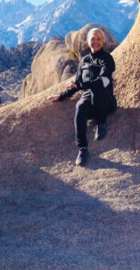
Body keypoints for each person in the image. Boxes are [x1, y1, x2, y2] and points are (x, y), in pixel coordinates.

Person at [48, 27, 117, 166]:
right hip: (89, 100)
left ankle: (101, 121)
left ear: (102, 41)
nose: (95, 42)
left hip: (106, 102)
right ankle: (82, 149)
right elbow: (77, 83)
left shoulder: (107, 59)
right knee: (80, 105)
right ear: (88, 41)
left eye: (98, 39)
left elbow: (104, 81)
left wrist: (81, 86)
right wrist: (62, 96)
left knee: (97, 89)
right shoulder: (84, 61)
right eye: (93, 39)